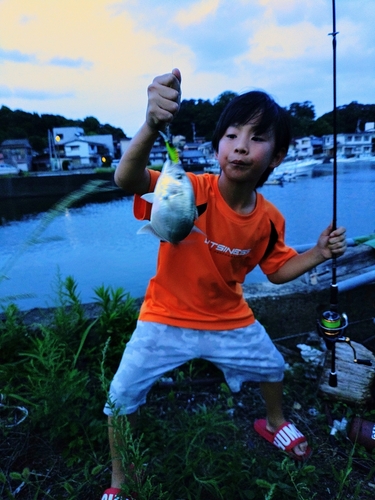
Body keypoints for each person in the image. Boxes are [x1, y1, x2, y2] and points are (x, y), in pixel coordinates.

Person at [101, 68, 347, 499]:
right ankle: (122, 481)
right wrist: (151, 125)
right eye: (232, 135)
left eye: (256, 138)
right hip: (165, 315)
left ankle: (273, 422)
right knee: (121, 396)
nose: (240, 146)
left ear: (275, 157)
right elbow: (127, 179)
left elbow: (276, 270)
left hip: (229, 318)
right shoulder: (186, 188)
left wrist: (319, 253)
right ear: (217, 148)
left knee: (274, 366)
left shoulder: (270, 219)